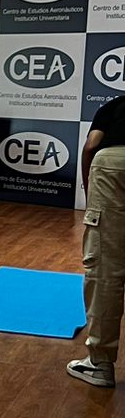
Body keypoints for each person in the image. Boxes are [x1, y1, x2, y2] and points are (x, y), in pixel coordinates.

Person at [71, 95, 125, 388]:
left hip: (114, 165)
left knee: (106, 270)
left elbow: (92, 145)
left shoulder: (116, 106)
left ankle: (100, 365)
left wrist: (90, 192)